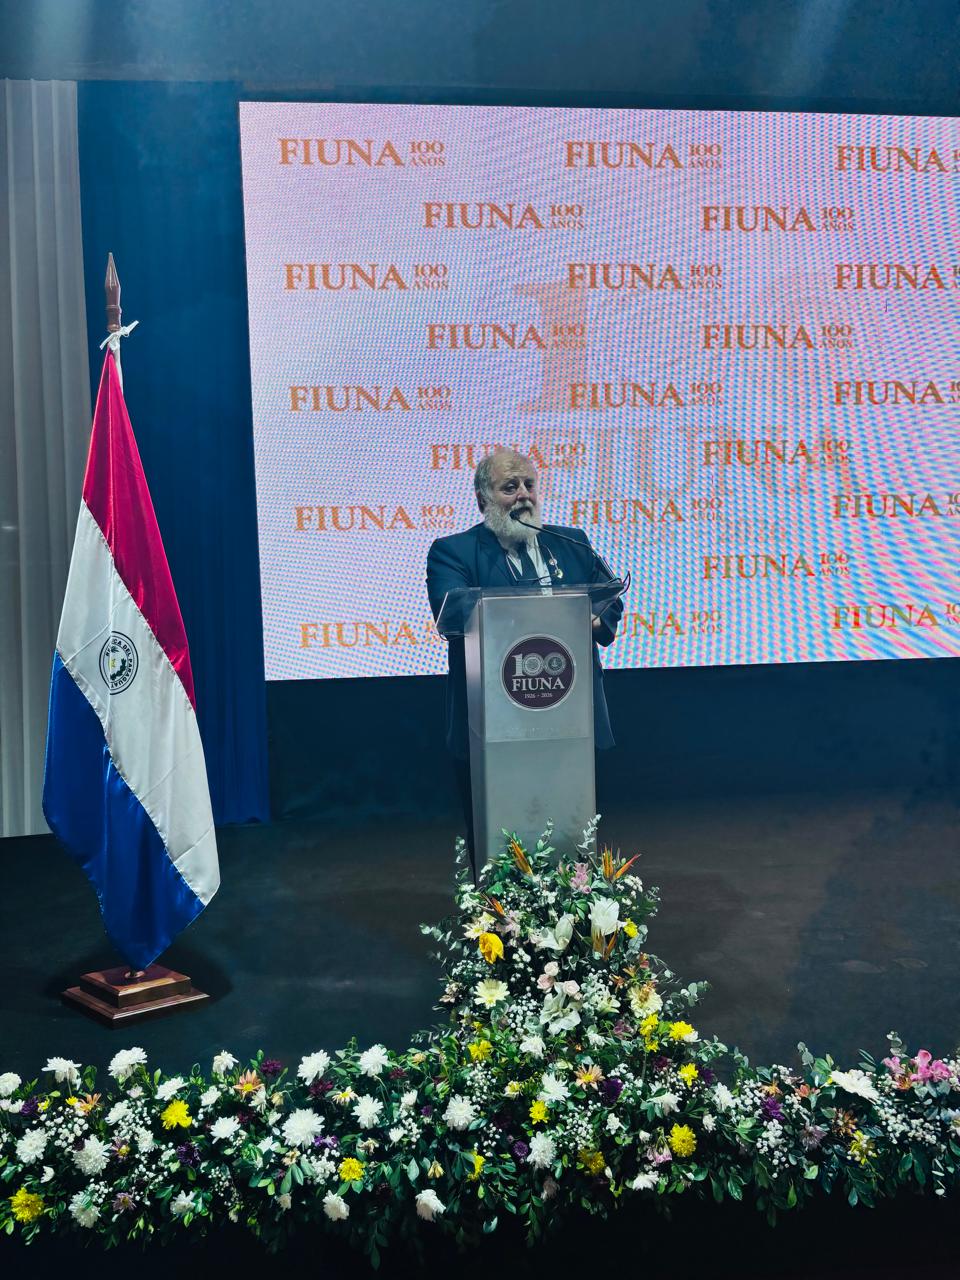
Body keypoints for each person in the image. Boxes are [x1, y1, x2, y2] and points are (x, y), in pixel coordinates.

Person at [426, 447, 624, 873]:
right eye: (509, 487)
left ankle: (576, 897)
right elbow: (451, 611)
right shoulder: (453, 552)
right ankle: (497, 910)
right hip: (491, 720)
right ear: (483, 499)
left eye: (529, 485)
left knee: (573, 823)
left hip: (569, 715)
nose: (523, 495)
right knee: (497, 835)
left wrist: (591, 619)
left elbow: (609, 598)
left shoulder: (570, 543)